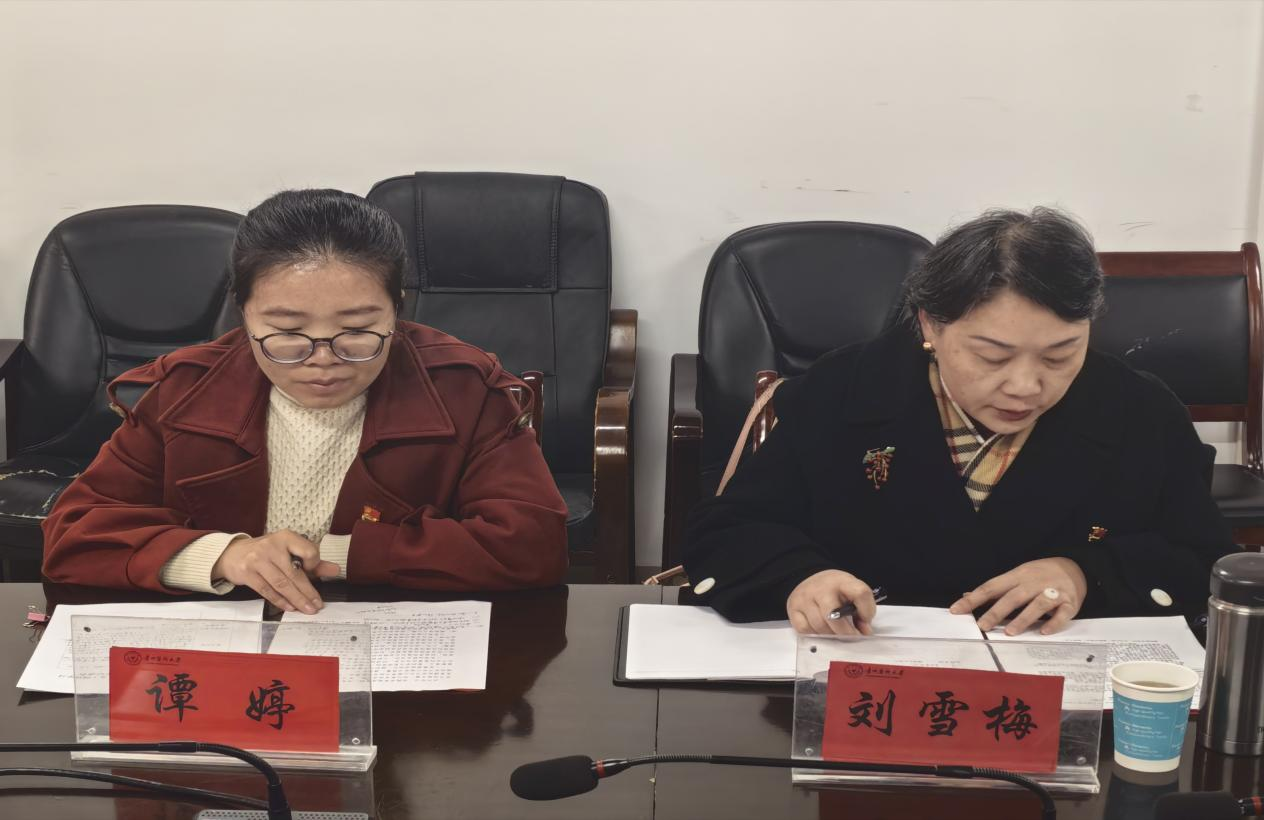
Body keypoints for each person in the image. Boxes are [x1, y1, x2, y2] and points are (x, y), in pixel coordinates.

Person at [683, 207, 1237, 636]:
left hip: (1058, 697)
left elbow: (1201, 556)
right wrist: (802, 577)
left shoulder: (1139, 411)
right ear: (930, 324)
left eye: (1060, 355)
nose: (1025, 386)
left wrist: (1082, 574)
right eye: (992, 356)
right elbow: (734, 528)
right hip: (868, 677)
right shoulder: (845, 389)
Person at [42, 189, 569, 611]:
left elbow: (532, 545)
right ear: (243, 312)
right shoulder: (188, 389)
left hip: (395, 657)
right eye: (287, 332)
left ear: (398, 309)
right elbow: (73, 534)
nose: (323, 359)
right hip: (225, 659)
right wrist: (224, 556)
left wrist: (341, 555)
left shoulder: (464, 389)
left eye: (357, 330)